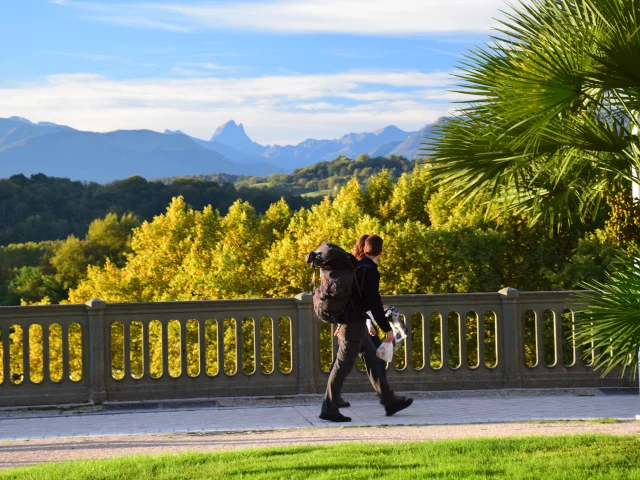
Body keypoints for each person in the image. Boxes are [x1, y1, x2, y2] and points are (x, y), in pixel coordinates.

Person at [320, 234, 413, 422]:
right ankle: (329, 408)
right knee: (342, 364)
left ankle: (389, 401)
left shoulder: (357, 265)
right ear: (381, 252)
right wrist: (387, 329)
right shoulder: (370, 270)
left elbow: (352, 297)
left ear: (364, 249)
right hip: (353, 324)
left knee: (373, 359)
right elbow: (373, 302)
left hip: (355, 323)